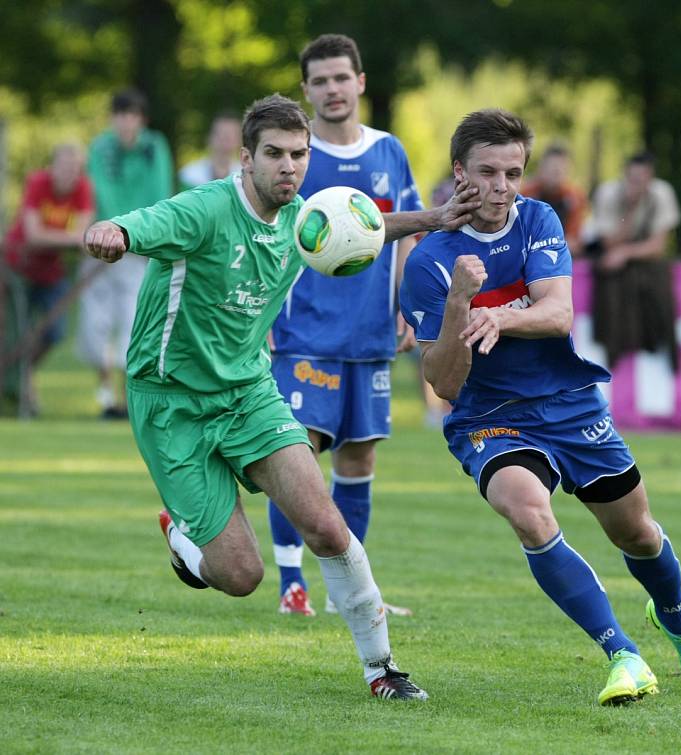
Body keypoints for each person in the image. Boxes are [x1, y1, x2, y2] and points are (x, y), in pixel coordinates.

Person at [82, 94, 478, 700]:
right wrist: (113, 231)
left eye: (298, 155)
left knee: (326, 525)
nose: (288, 167)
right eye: (274, 154)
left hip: (248, 393)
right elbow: (147, 223)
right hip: (171, 406)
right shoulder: (207, 209)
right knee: (241, 576)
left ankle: (383, 670)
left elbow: (368, 228)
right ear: (246, 158)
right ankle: (182, 534)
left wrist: (434, 219)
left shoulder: (303, 219)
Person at [399, 108, 681, 706]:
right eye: (489, 172)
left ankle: (679, 623)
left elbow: (559, 314)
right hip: (488, 417)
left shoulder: (538, 219)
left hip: (568, 403)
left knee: (639, 536)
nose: (502, 187)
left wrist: (497, 315)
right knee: (529, 513)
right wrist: (457, 306)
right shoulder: (427, 264)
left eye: (513, 172)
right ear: (459, 173)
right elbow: (443, 383)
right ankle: (622, 654)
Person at [266, 34, 420, 617]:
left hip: (371, 336)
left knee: (358, 463)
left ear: (360, 82)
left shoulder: (389, 151)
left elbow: (406, 230)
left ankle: (345, 593)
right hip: (304, 333)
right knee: (295, 457)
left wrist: (407, 303)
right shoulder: (294, 158)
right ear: (306, 91)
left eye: (341, 78)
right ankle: (290, 585)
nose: (332, 89)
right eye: (320, 81)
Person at [78, 88, 174, 418]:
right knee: (95, 324)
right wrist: (106, 233)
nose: (125, 123)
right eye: (120, 115)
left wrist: (135, 235)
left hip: (135, 247)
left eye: (132, 116)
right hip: (99, 246)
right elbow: (98, 189)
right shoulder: (100, 147)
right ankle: (105, 390)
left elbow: (159, 192)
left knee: (132, 321)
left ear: (141, 119)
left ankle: (121, 397)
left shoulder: (154, 146)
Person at [2, 143, 94, 413]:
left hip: (51, 272)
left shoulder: (83, 189)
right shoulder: (38, 183)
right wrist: (70, 238)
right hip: (19, 267)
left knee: (55, 331)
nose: (68, 174)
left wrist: (58, 237)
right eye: (64, 167)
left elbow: (82, 233)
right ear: (53, 167)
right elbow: (33, 234)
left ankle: (24, 372)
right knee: (16, 330)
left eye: (74, 169)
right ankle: (20, 390)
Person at [584, 151, 681, 370]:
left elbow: (658, 246)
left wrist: (626, 253)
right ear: (625, 175)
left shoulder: (662, 193)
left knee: (660, 283)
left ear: (651, 177)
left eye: (642, 178)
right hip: (613, 253)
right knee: (609, 279)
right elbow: (609, 243)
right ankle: (613, 349)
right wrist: (630, 208)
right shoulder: (608, 193)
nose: (637, 183)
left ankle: (663, 345)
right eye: (633, 178)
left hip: (641, 256)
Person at [520, 142, 587, 253]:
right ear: (541, 169)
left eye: (562, 168)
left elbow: (575, 240)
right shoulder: (526, 194)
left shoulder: (575, 198)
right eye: (552, 168)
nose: (557, 173)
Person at [178, 111, 242, 190]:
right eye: (221, 134)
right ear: (209, 137)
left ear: (239, 140)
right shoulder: (189, 175)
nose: (225, 139)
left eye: (231, 135)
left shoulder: (244, 177)